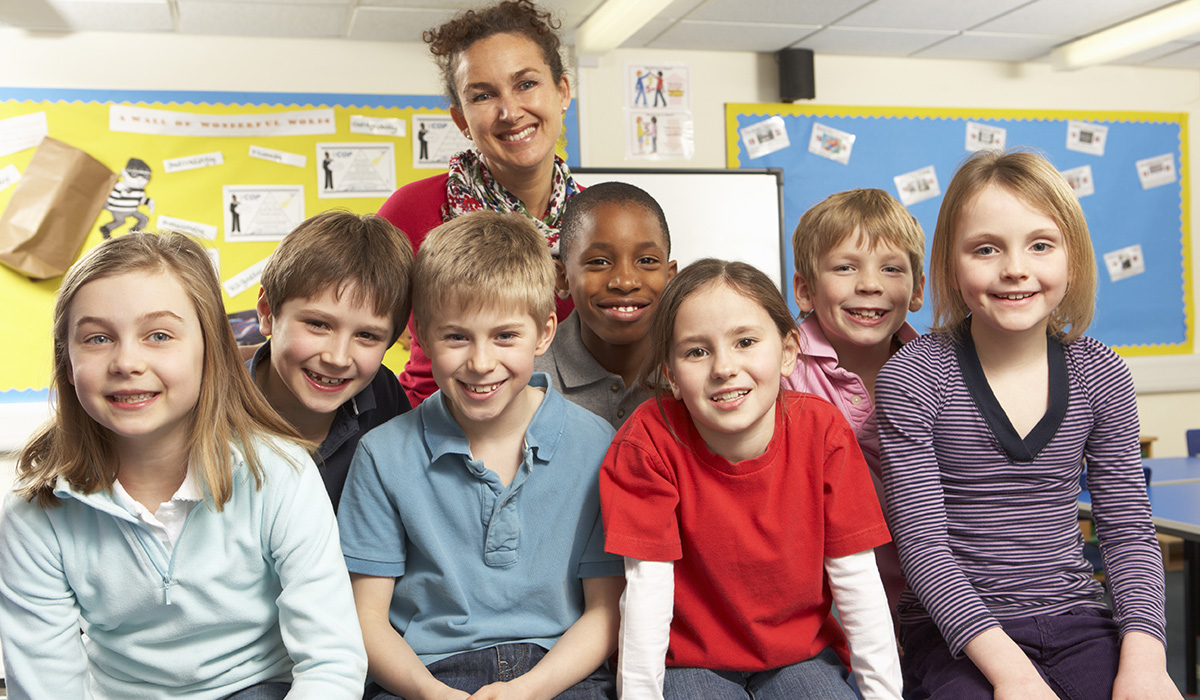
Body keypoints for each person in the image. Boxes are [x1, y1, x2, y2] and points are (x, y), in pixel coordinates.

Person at [0, 231, 367, 699]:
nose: (127, 361)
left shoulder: (280, 474)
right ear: (67, 361)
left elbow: (332, 661)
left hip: (262, 688)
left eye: (158, 335)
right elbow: (46, 687)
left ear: (208, 349)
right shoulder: (36, 512)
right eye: (97, 338)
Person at [875, 150, 1180, 700]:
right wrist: (1013, 675)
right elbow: (923, 548)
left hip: (1076, 617)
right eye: (986, 248)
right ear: (949, 264)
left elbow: (1129, 532)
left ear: (1073, 260)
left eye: (1040, 245)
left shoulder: (1100, 372)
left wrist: (1145, 660)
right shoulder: (916, 376)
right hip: (956, 635)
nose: (1015, 267)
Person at [338, 211, 624, 699]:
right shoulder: (382, 455)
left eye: (505, 335)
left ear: (545, 331)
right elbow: (366, 617)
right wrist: (432, 694)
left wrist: (531, 688)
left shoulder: (599, 445)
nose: (481, 362)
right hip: (424, 675)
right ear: (422, 336)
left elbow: (605, 611)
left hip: (559, 672)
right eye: (457, 336)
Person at [601, 259, 902, 700]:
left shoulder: (822, 431)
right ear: (671, 375)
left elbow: (856, 579)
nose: (724, 367)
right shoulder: (648, 441)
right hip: (686, 662)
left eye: (744, 342)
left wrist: (884, 696)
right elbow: (647, 590)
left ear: (787, 352)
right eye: (696, 351)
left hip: (799, 656)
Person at [377, 0, 578, 407]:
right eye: (483, 95)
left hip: (558, 435)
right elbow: (356, 325)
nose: (509, 111)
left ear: (561, 92)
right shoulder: (412, 211)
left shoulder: (596, 220)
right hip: (427, 429)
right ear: (461, 120)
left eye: (526, 84)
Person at [784, 188, 925, 627]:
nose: (869, 284)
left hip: (924, 607)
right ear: (805, 289)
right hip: (817, 616)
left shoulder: (937, 373)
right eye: (845, 267)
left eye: (891, 268)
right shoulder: (778, 371)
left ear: (917, 290)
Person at [249, 210, 414, 513]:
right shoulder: (211, 407)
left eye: (366, 335)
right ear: (268, 312)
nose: (337, 358)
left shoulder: (384, 396)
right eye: (318, 324)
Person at [535, 182, 676, 428]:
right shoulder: (527, 377)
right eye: (599, 262)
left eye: (646, 260)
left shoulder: (695, 371)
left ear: (670, 277)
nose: (625, 282)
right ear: (561, 279)